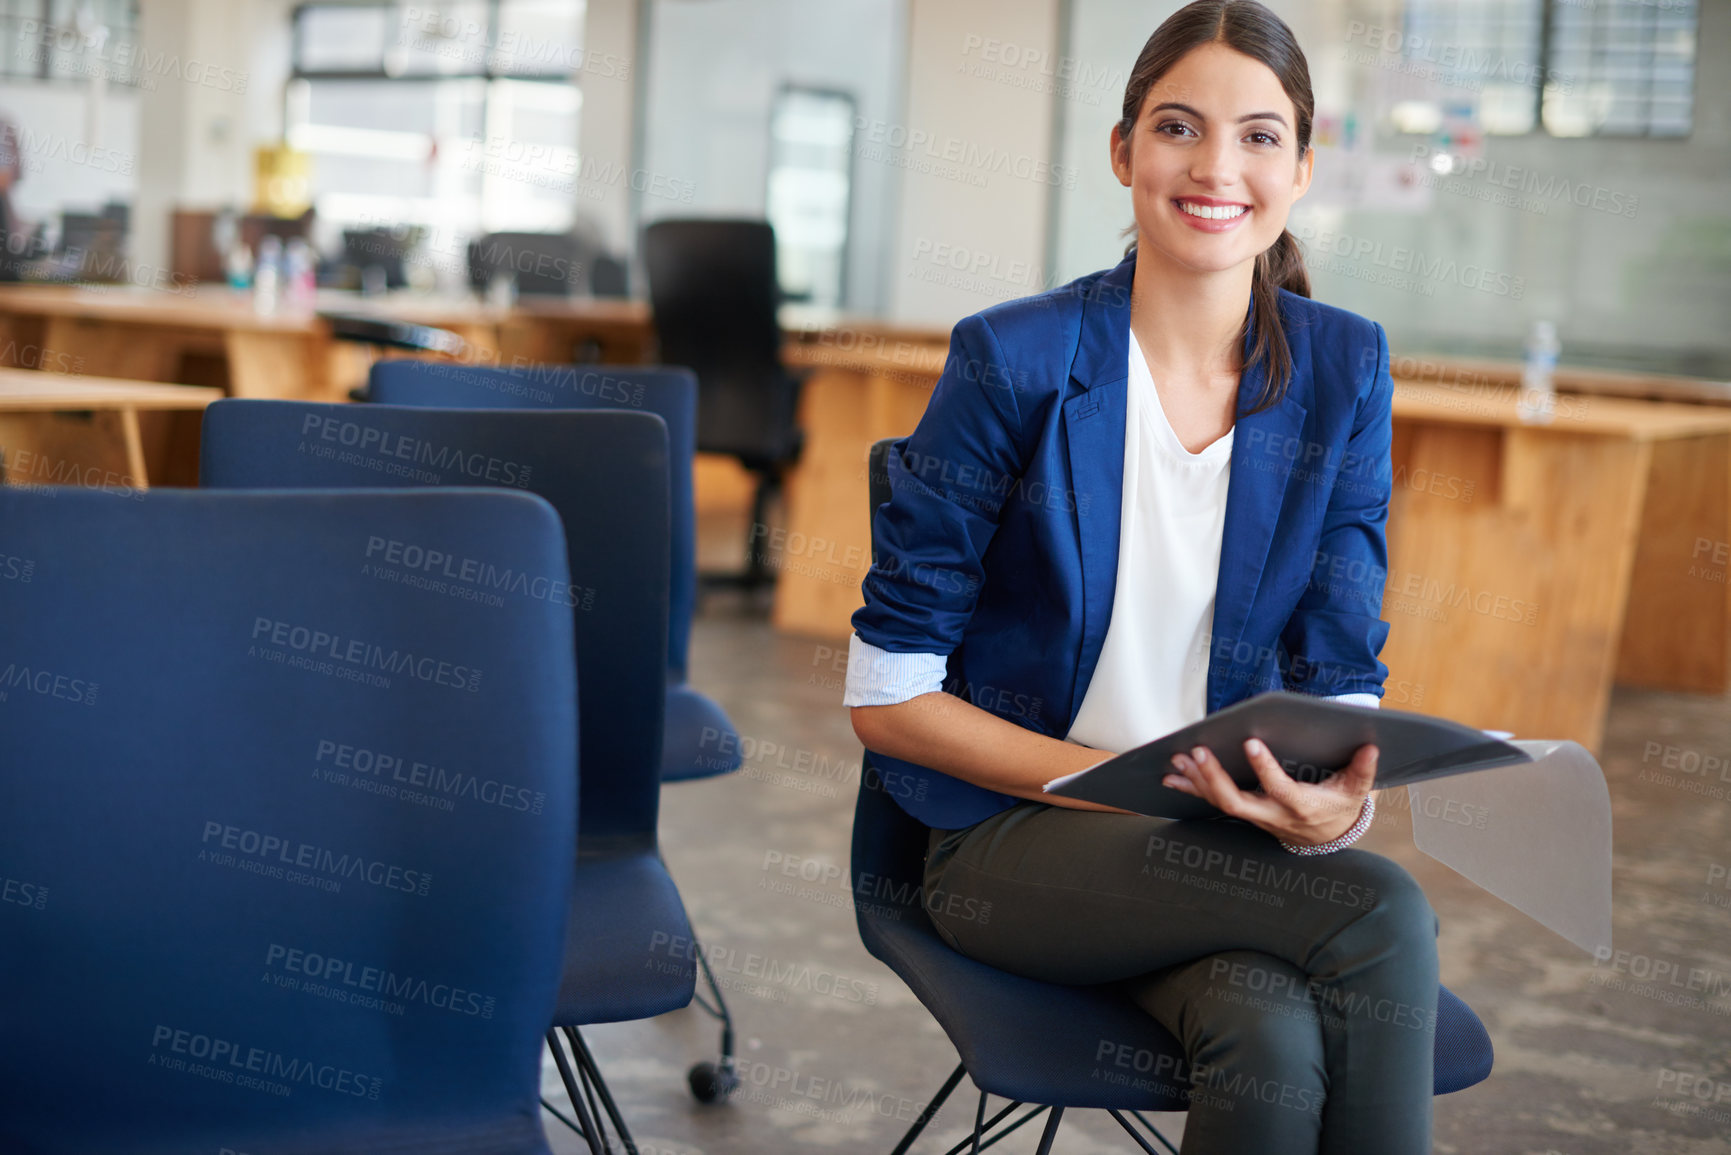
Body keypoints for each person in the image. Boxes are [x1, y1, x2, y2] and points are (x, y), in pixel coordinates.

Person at [845, 3, 1437, 1153]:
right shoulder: (1013, 359)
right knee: (1381, 908)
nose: (1218, 166)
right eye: (1179, 127)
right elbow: (887, 697)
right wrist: (1120, 786)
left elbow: (1340, 674)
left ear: (1304, 169)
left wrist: (1335, 808)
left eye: (1261, 137)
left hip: (1222, 848)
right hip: (1008, 843)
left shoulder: (1343, 369)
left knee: (1266, 1039)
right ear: (1124, 151)